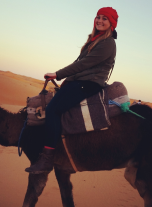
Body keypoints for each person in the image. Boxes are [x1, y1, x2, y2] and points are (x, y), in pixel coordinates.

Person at [25, 7, 119, 174]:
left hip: (89, 83)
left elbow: (84, 65)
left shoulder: (108, 43)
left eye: (105, 19)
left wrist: (58, 74)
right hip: (80, 81)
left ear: (111, 24)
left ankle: (47, 159)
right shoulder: (94, 40)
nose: (100, 21)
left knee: (53, 110)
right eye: (98, 17)